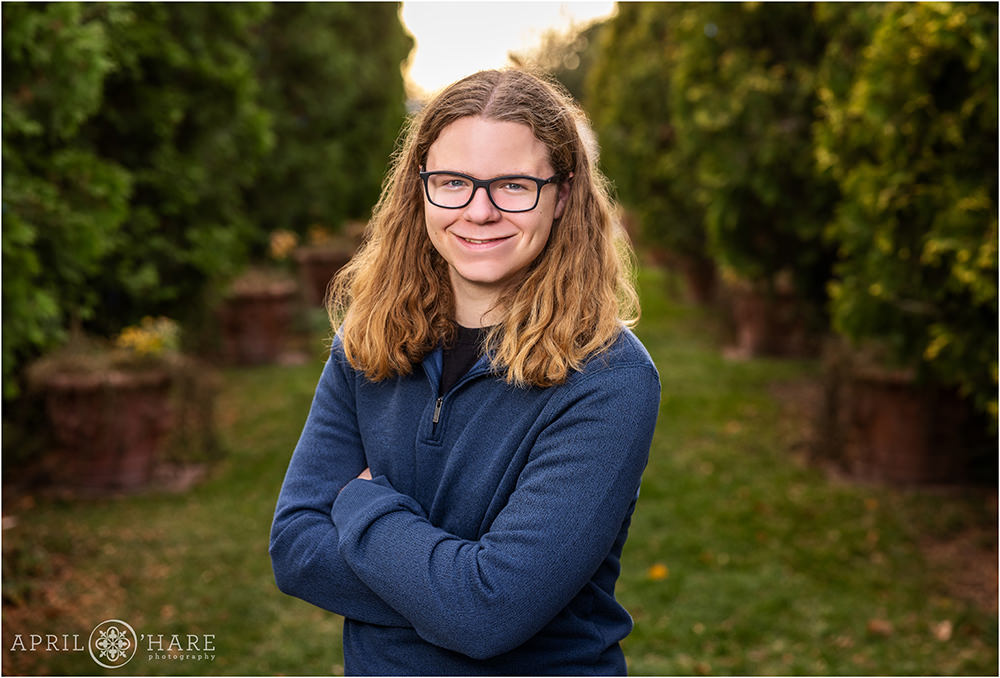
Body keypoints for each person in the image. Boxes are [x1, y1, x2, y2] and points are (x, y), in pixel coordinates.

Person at [269, 68, 660, 676]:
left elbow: (489, 615)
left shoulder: (607, 377)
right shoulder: (368, 339)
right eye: (453, 182)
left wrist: (361, 505)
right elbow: (295, 548)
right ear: (419, 190)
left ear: (561, 196)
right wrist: (453, 588)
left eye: (512, 185)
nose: (478, 211)